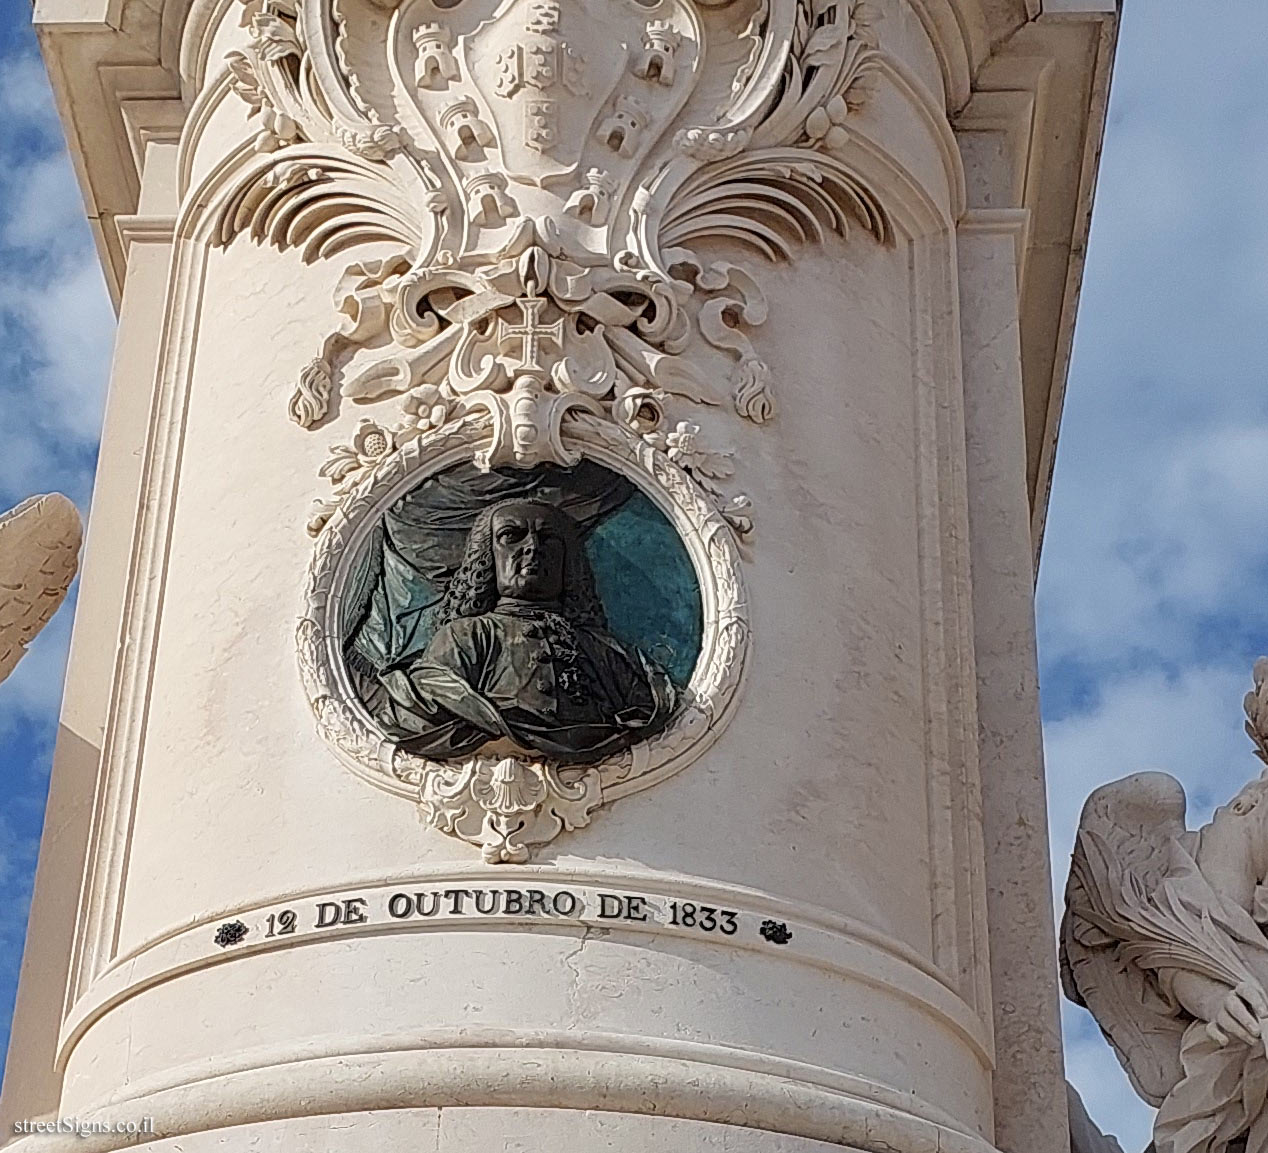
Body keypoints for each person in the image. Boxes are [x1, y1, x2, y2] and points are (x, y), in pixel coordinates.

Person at [376, 498, 676, 763]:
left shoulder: (602, 650)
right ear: (487, 557)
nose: (532, 547)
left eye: (549, 540)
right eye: (512, 536)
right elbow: (423, 708)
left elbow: (645, 711)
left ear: (568, 561)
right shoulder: (467, 635)